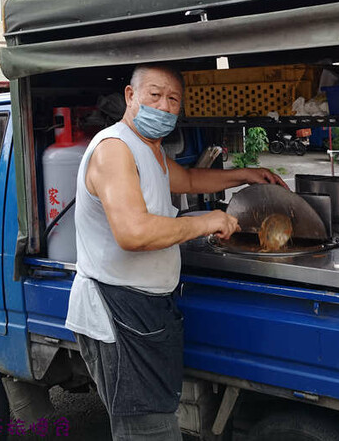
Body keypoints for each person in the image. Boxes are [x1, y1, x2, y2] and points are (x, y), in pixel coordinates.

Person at [66, 64, 287, 440]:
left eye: (173, 99)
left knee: (158, 414)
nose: (164, 107)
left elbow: (185, 179)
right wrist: (208, 221)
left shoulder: (148, 149)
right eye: (154, 95)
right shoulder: (114, 149)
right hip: (118, 307)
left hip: (148, 306)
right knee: (146, 428)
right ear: (130, 96)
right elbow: (133, 232)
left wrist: (247, 173)